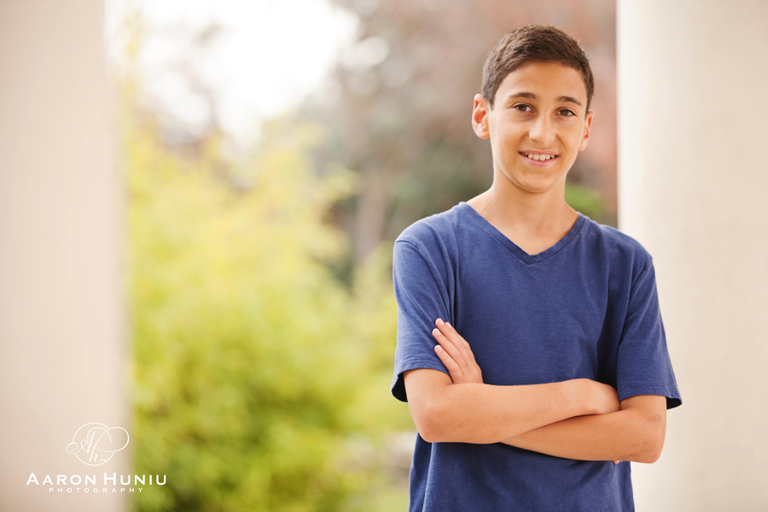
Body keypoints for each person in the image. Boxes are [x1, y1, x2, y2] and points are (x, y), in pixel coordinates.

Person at [391, 25, 681, 511]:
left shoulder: (625, 266)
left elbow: (644, 436)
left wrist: (486, 411)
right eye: (523, 106)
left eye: (564, 111)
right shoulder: (430, 248)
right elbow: (439, 415)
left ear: (586, 128)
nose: (542, 131)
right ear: (483, 115)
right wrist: (584, 395)